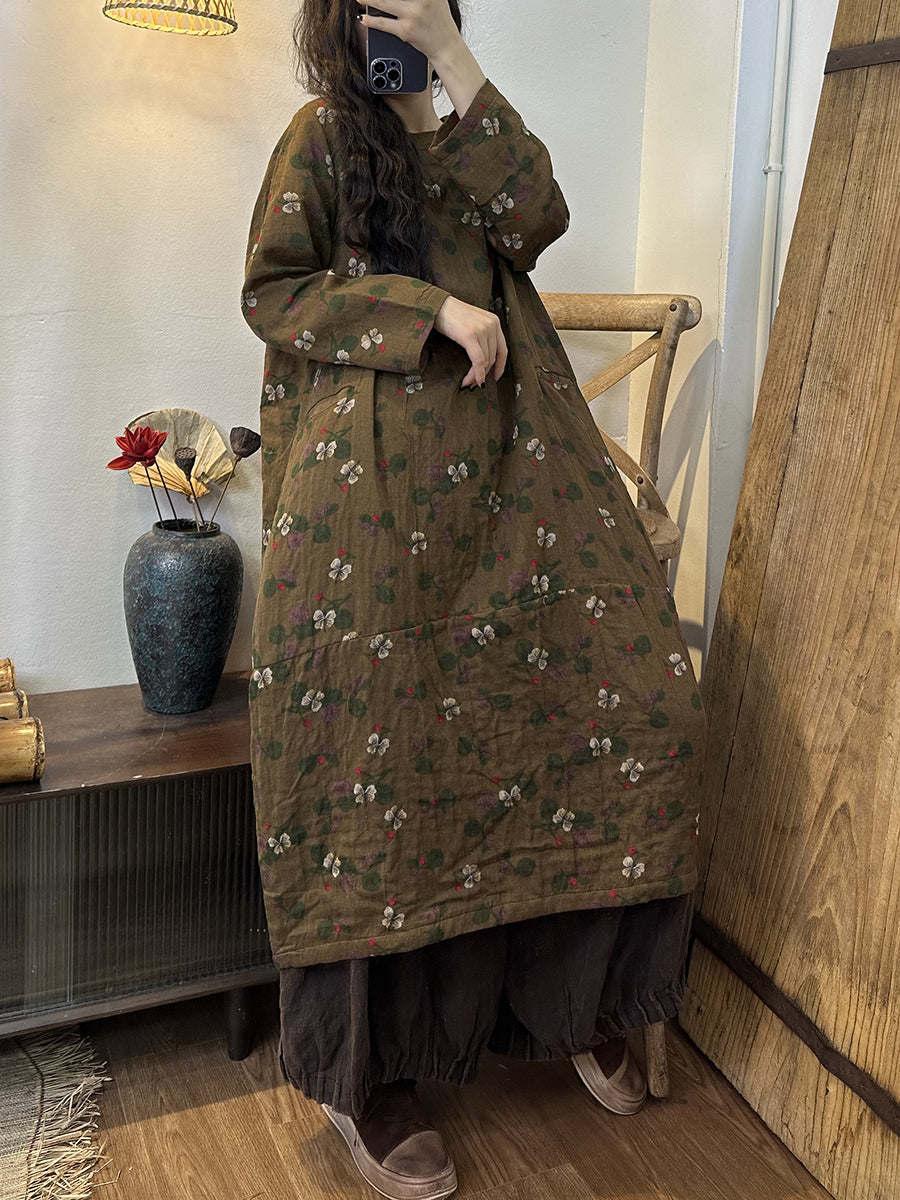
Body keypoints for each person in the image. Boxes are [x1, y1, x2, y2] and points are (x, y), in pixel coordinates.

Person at [241, 2, 706, 1197]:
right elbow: (275, 292)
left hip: (520, 485)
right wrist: (428, 311)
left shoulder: (468, 130)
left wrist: (455, 67)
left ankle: (576, 1002)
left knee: (633, 696)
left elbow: (539, 218)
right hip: (369, 505)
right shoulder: (320, 136)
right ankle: (369, 1076)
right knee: (381, 757)